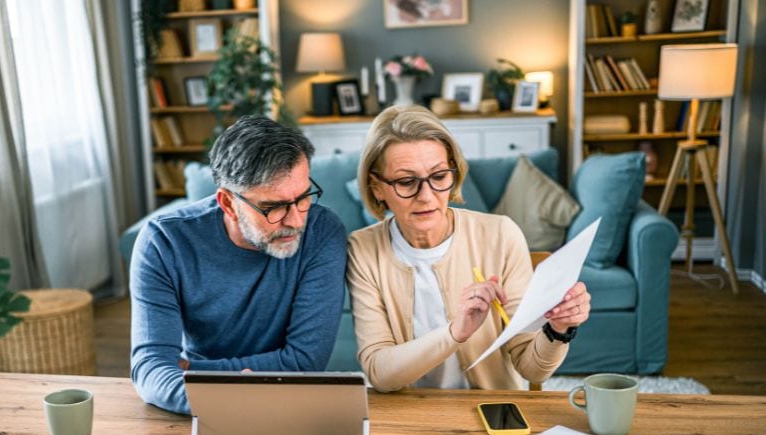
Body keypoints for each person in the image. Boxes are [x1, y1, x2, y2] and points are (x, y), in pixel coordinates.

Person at [347, 105, 591, 392]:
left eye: (439, 177)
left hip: (491, 411)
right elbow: (380, 373)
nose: (426, 196)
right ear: (377, 187)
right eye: (406, 182)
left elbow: (533, 370)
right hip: (409, 415)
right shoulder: (362, 249)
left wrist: (559, 329)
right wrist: (455, 332)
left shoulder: (500, 235)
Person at [130, 115, 347, 413]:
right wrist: (225, 395)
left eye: (303, 198)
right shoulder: (164, 242)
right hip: (196, 412)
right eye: (273, 207)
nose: (296, 221)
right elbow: (150, 368)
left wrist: (196, 371)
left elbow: (304, 362)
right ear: (228, 203)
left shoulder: (323, 232)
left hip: (288, 403)